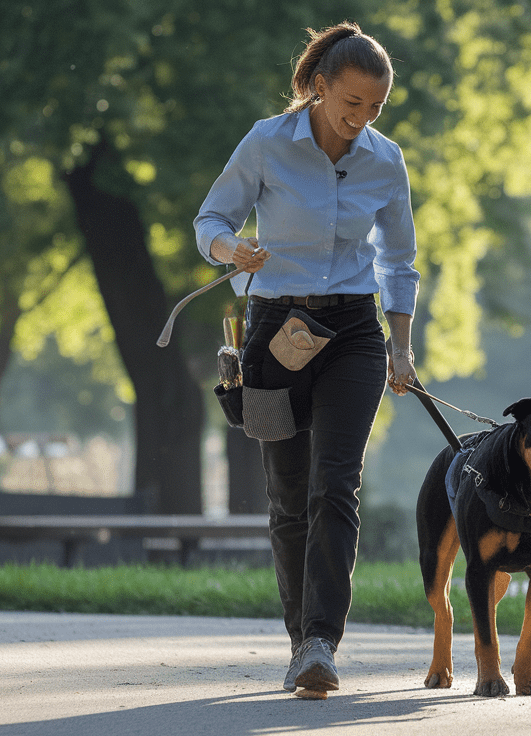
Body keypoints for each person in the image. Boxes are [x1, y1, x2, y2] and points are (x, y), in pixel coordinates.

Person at [193, 21, 418, 698]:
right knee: (289, 495)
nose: (360, 120)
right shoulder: (266, 142)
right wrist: (233, 251)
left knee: (335, 483)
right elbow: (210, 221)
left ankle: (322, 639)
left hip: (353, 329)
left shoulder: (385, 160)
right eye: (351, 104)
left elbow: (400, 260)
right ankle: (301, 644)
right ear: (320, 88)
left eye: (374, 109)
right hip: (272, 329)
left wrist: (400, 347)